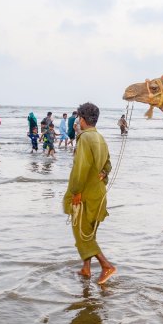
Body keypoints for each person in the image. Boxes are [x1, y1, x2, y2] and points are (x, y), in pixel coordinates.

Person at [63, 102, 116, 285]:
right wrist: (103, 173)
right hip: (99, 195)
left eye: (78, 118)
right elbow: (108, 164)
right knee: (88, 233)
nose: (78, 121)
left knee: (81, 234)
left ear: (82, 119)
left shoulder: (84, 138)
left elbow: (80, 169)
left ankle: (106, 266)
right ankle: (86, 269)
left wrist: (75, 192)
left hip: (85, 194)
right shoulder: (100, 137)